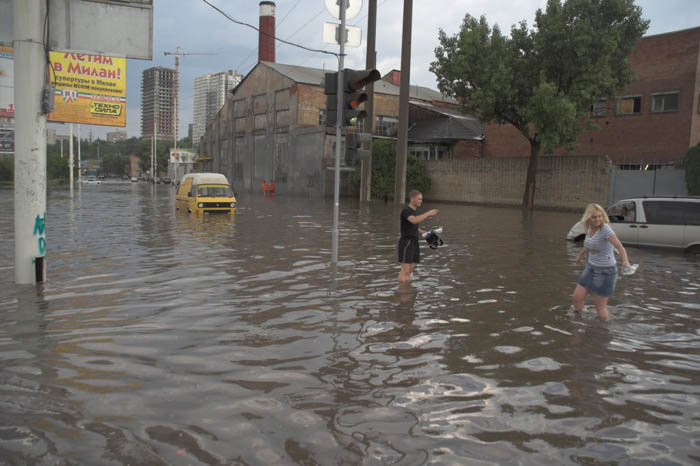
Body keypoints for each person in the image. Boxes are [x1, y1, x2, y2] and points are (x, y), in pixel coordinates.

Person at [573, 203, 631, 321]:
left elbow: (619, 246)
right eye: (594, 217)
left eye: (600, 216)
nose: (597, 219)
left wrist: (625, 261)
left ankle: (603, 331)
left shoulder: (605, 230)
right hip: (590, 268)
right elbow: (589, 245)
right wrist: (579, 255)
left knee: (599, 307)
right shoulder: (589, 227)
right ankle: (579, 322)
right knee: (577, 298)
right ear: (588, 218)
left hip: (606, 271)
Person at [398, 190, 438, 283]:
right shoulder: (406, 211)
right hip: (407, 242)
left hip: (414, 242)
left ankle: (405, 289)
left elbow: (413, 226)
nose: (421, 201)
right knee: (406, 270)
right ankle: (403, 292)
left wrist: (425, 233)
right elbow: (413, 221)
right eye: (419, 199)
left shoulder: (414, 212)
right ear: (412, 199)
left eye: (421, 199)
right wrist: (428, 213)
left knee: (410, 269)